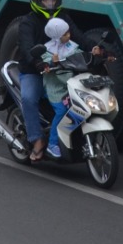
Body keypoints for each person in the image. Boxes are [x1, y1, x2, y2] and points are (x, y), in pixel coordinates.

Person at [11, 0, 101, 163]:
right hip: (35, 71)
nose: (51, 3)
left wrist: (95, 48)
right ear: (36, 1)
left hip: (61, 69)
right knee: (29, 98)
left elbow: (78, 37)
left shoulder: (63, 18)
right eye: (46, 0)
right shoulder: (28, 23)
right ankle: (36, 140)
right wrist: (38, 63)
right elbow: (27, 48)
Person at [40, 16, 80, 159]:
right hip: (55, 87)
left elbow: (80, 56)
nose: (68, 35)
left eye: (68, 32)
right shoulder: (48, 50)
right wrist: (52, 62)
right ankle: (53, 143)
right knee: (62, 111)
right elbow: (44, 63)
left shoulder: (71, 46)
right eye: (65, 34)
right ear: (56, 37)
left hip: (72, 84)